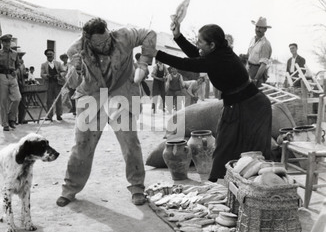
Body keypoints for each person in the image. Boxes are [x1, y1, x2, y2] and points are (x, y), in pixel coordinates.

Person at [153, 21, 272, 182]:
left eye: (201, 42)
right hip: (238, 104)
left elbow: (186, 63)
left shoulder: (219, 59)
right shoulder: (217, 53)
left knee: (251, 151)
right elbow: (195, 54)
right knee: (224, 145)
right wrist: (178, 37)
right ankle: (219, 183)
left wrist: (156, 54)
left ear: (212, 45)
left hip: (254, 107)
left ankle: (244, 187)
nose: (197, 44)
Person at [56, 17, 156, 207]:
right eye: (99, 44)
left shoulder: (124, 36)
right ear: (87, 40)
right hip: (92, 97)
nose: (105, 45)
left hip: (122, 95)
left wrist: (143, 63)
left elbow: (149, 34)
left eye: (106, 40)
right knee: (81, 145)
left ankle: (137, 187)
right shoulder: (75, 50)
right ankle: (70, 189)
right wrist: (76, 68)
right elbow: (74, 83)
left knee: (130, 142)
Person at [0, 34, 22, 131]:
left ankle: (11, 119)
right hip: (2, 76)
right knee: (4, 101)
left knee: (17, 98)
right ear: (2, 43)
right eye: (5, 42)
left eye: (9, 41)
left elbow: (18, 66)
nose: (7, 43)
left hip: (12, 77)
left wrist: (16, 72)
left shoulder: (14, 53)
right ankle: (5, 124)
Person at [245, 17, 273, 88]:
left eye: (260, 28)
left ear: (265, 29)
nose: (258, 29)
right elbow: (248, 55)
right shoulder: (252, 39)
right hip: (249, 70)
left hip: (258, 72)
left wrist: (255, 79)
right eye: (257, 27)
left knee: (256, 95)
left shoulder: (265, 44)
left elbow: (263, 65)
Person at [40, 49, 65, 121]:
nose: (50, 55)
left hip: (57, 83)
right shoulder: (43, 65)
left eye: (51, 54)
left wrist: (59, 75)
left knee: (58, 100)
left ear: (53, 55)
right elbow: (42, 74)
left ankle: (59, 115)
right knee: (49, 100)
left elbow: (63, 71)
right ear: (46, 56)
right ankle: (49, 115)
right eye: (48, 54)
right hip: (49, 84)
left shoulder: (58, 63)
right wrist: (46, 75)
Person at [15, 48, 28, 124]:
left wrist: (25, 74)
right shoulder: (14, 63)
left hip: (22, 84)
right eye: (19, 56)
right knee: (16, 102)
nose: (20, 57)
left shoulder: (23, 64)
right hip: (15, 84)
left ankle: (21, 119)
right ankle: (15, 119)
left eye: (21, 56)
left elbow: (24, 73)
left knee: (23, 102)